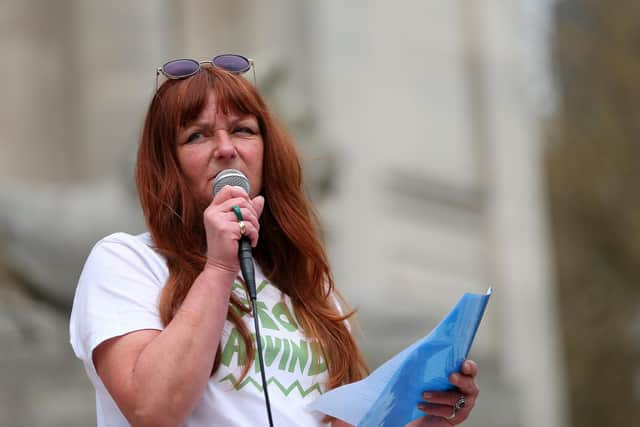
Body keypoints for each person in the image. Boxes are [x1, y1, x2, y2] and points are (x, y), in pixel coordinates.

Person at [69, 54, 480, 427]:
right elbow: (151, 409)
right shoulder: (126, 262)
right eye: (197, 136)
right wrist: (218, 267)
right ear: (167, 163)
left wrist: (429, 420)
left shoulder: (312, 288)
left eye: (243, 130)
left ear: (268, 152)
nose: (226, 149)